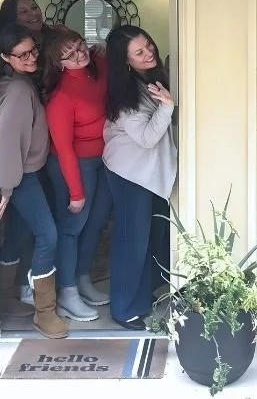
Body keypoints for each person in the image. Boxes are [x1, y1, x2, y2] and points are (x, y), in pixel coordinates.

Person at [0, 23, 69, 339]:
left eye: (33, 51)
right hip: (22, 178)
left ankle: (5, 294)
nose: (30, 58)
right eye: (21, 54)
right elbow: (7, 142)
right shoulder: (19, 92)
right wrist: (8, 189)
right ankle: (45, 312)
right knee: (48, 235)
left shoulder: (18, 82)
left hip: (27, 173)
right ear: (5, 56)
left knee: (19, 233)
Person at [102, 25, 176, 331]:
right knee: (131, 241)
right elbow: (146, 137)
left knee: (151, 237)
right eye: (139, 52)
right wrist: (168, 106)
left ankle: (142, 298)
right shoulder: (123, 94)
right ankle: (123, 307)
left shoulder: (150, 79)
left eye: (148, 45)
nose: (149, 53)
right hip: (130, 174)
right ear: (125, 62)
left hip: (148, 172)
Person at [42, 28, 112, 322]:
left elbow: (110, 52)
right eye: (68, 55)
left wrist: (102, 47)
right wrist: (75, 192)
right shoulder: (61, 97)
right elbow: (64, 148)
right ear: (59, 64)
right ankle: (67, 292)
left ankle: (83, 279)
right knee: (73, 226)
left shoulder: (98, 67)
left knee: (95, 223)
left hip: (105, 158)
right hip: (74, 165)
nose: (77, 54)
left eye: (79, 46)